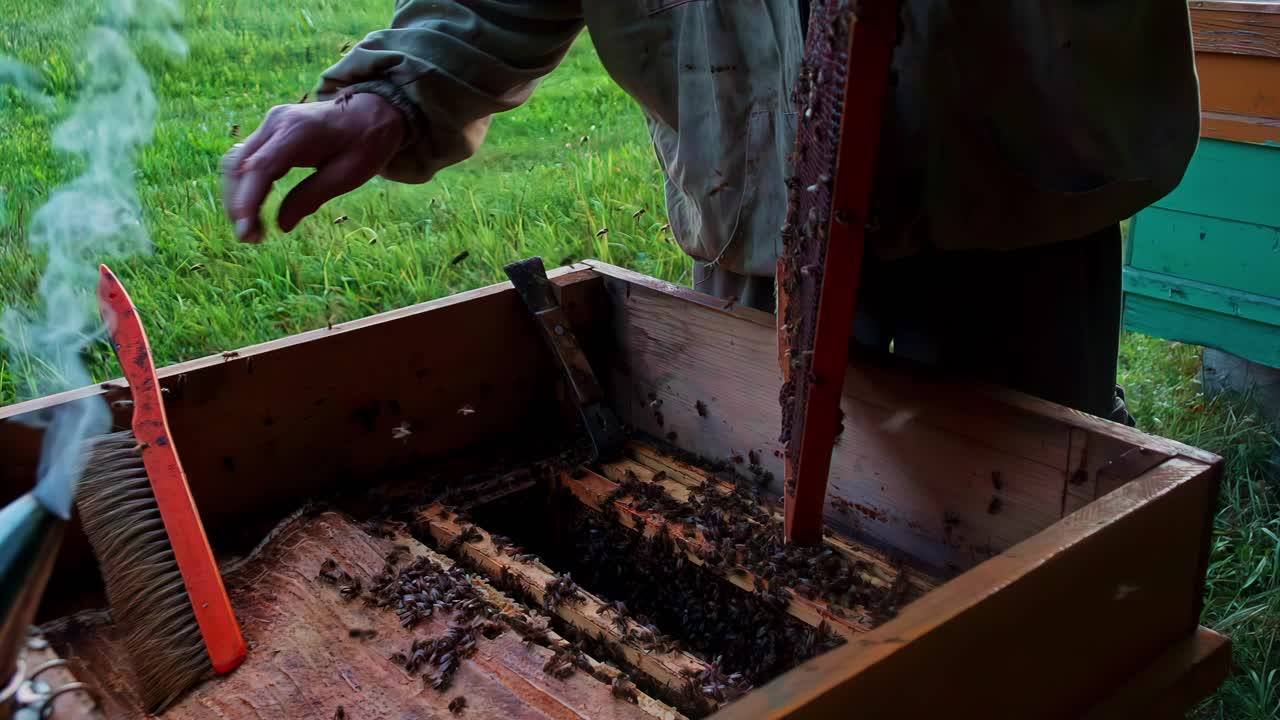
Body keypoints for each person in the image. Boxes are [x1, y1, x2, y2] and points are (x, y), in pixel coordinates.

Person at [222, 1, 1200, 424]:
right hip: (759, 202)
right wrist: (390, 96)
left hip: (1009, 192)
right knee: (756, 528)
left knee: (1028, 570)